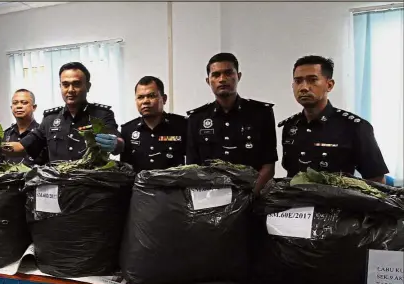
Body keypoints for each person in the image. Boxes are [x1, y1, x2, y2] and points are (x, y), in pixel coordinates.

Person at [279, 55, 388, 183]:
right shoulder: (291, 126)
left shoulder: (354, 127)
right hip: (294, 201)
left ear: (329, 85)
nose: (303, 87)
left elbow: (376, 179)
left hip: (337, 202)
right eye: (298, 81)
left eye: (312, 80)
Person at [186, 53, 278, 194]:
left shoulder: (261, 114)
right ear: (208, 80)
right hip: (210, 200)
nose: (222, 79)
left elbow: (268, 165)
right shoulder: (197, 119)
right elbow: (193, 167)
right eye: (216, 75)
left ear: (238, 76)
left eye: (228, 73)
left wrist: (249, 197)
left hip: (252, 199)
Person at [0, 62, 124, 163]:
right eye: (65, 84)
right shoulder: (50, 119)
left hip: (90, 188)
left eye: (76, 84)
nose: (70, 90)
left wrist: (115, 143)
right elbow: (20, 147)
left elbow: (118, 143)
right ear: (60, 87)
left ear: (88, 86)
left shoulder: (101, 115)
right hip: (59, 188)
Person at [120, 76, 187, 172]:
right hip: (139, 186)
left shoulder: (182, 125)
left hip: (172, 185)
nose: (145, 101)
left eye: (151, 96)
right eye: (140, 97)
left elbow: (193, 164)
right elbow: (125, 170)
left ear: (164, 99)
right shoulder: (128, 130)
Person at [0, 89, 47, 165]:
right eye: (15, 103)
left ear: (34, 107)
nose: (19, 106)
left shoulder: (42, 134)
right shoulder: (5, 135)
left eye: (24, 103)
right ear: (11, 107)